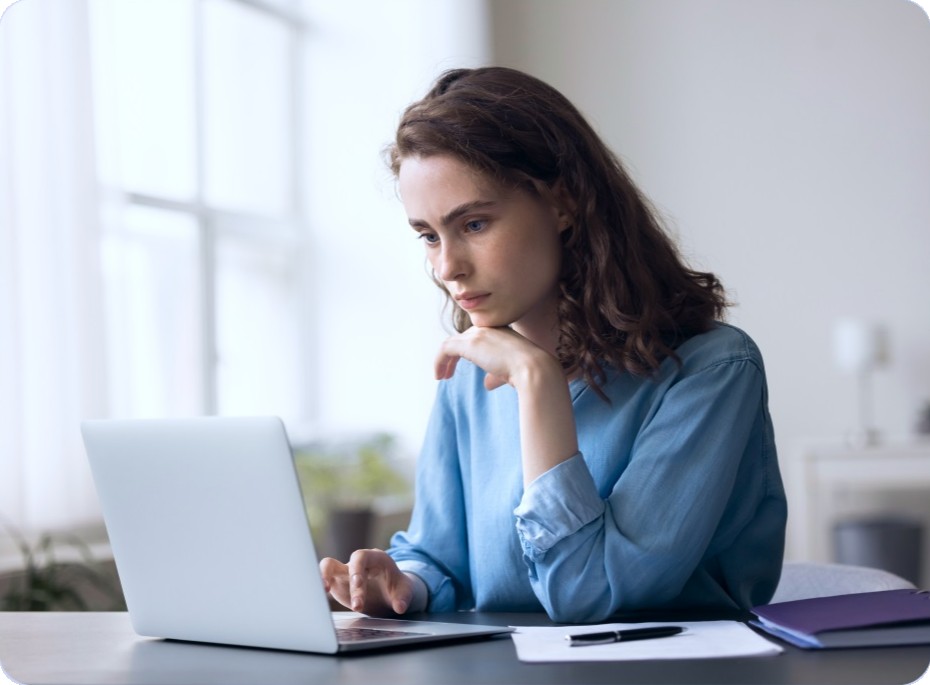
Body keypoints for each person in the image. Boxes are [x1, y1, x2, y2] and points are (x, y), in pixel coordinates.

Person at [319, 66, 787, 624]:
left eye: (474, 225)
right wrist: (404, 585)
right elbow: (439, 556)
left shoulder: (712, 371)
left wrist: (537, 383)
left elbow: (591, 594)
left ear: (564, 203)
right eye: (428, 235)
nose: (447, 267)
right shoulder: (469, 374)